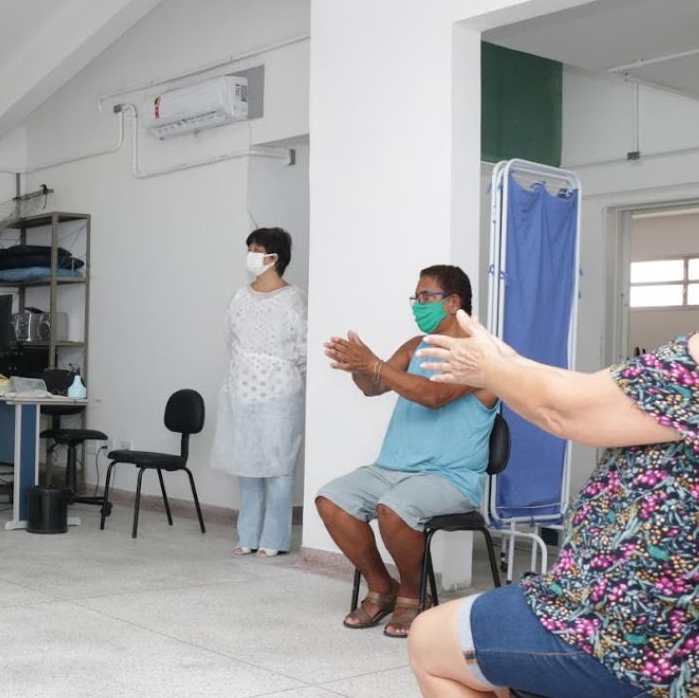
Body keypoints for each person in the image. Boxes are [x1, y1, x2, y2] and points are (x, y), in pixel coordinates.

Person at [408, 140, 699, 698]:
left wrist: (490, 366)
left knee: (434, 640)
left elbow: (573, 413)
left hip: (659, 652)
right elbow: (590, 394)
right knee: (502, 628)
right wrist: (499, 360)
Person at [317, 265, 498, 638]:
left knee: (395, 509)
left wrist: (375, 364)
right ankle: (383, 588)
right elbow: (372, 387)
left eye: (425, 297)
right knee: (331, 500)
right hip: (392, 469)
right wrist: (358, 366)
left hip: (449, 478)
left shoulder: (481, 355)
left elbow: (434, 396)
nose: (418, 305)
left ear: (453, 302)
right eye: (415, 297)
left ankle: (413, 598)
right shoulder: (416, 347)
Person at [210, 227, 307, 557]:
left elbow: (302, 349)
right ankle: (247, 535)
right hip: (241, 391)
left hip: (279, 395)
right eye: (249, 248)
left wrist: (280, 374)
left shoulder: (294, 299)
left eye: (257, 249)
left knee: (278, 468)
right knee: (247, 466)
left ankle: (274, 540)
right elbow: (230, 338)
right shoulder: (239, 296)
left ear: (274, 258)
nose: (250, 255)